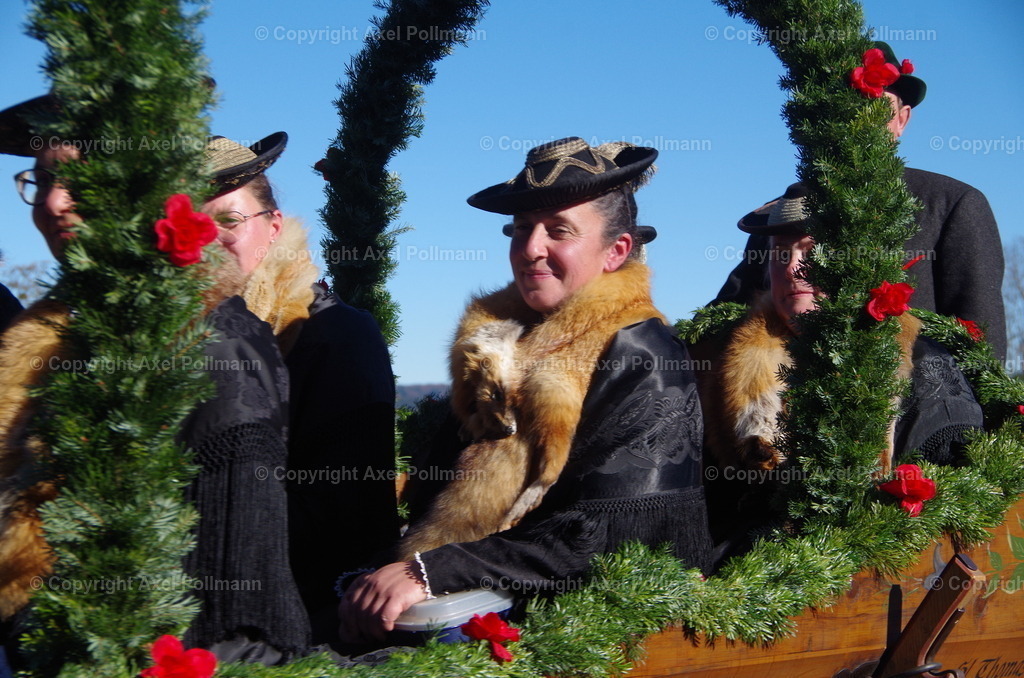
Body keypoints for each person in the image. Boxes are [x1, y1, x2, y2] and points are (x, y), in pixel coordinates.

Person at [337, 137, 714, 644]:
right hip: (464, 602)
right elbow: (436, 493)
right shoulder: (497, 350)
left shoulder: (643, 355)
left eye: (559, 231)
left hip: (576, 634)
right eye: (521, 229)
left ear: (616, 251)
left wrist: (431, 572)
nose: (531, 248)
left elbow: (613, 540)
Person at [0, 96, 310, 665]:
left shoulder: (216, 346)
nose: (52, 202)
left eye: (80, 177)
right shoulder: (59, 335)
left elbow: (244, 633)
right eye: (40, 180)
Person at [697, 183, 984, 546]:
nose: (794, 268)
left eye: (813, 251)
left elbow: (949, 524)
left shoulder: (927, 371)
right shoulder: (724, 367)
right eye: (781, 254)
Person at [202, 133, 399, 643]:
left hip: (297, 623)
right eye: (191, 222)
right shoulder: (186, 336)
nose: (208, 238)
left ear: (272, 227)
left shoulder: (334, 335)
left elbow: (345, 519)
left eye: (228, 220)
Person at [714, 42, 1007, 360]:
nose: (856, 122)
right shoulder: (777, 217)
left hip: (911, 401)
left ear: (901, 120)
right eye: (843, 108)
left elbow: (981, 348)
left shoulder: (952, 205)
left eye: (874, 108)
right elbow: (726, 320)